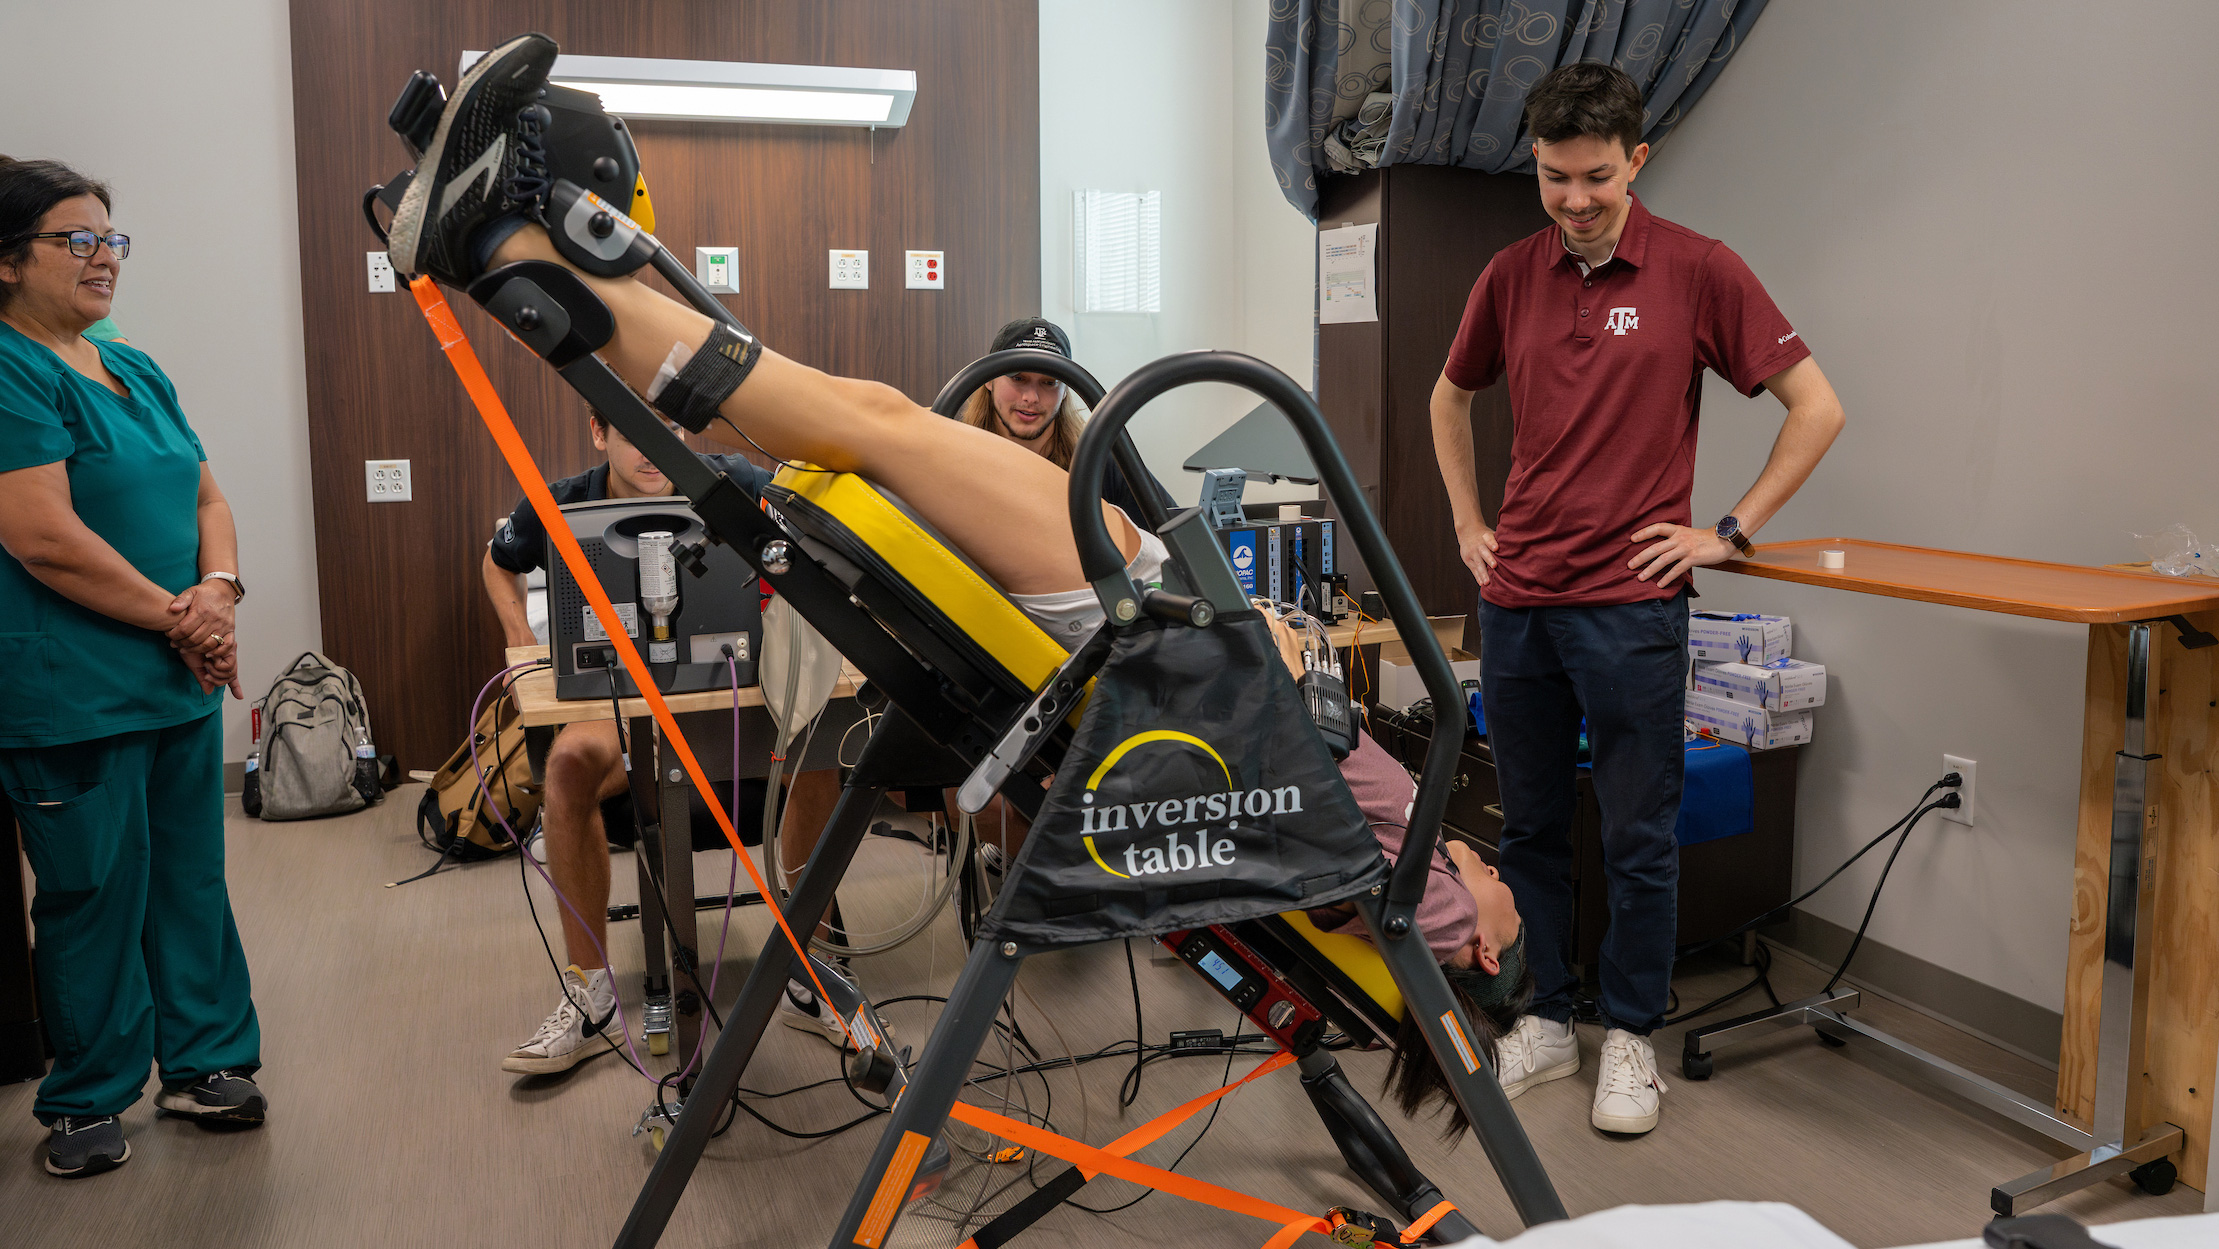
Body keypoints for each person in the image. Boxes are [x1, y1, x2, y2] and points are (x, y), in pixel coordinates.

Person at [1428, 63, 1845, 1136]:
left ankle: (1628, 1035)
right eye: (1554, 177)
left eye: (1596, 178)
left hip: (1629, 607)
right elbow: (1449, 396)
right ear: (1534, 163)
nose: (1574, 200)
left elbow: (1815, 406)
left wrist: (1727, 530)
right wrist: (1468, 525)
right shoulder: (1509, 275)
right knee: (1528, 827)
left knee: (1636, 835)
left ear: (1637, 161)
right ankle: (1545, 1017)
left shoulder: (1700, 269)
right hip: (1519, 602)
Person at [0, 159, 265, 1179]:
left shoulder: (133, 367)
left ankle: (205, 1059)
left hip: (172, 678)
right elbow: (41, 536)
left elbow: (207, 498)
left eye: (111, 238)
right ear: (7, 260)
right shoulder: (11, 369)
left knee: (191, 877)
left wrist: (220, 591)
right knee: (94, 891)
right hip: (71, 692)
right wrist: (182, 618)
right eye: (76, 239)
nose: (103, 256)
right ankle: (86, 1098)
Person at [479, 407, 850, 1072]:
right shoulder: (560, 503)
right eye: (634, 435)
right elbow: (497, 562)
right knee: (566, 765)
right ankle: (589, 992)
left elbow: (813, 533)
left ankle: (811, 970)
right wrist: (520, 638)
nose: (655, 451)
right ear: (599, 432)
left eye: (670, 433)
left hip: (728, 688)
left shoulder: (733, 481)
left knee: (815, 754)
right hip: (620, 698)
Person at [957, 317, 1173, 525]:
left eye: (1049, 382)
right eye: (1018, 378)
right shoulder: (958, 456)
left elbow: (1173, 536)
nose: (1031, 397)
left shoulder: (1098, 464)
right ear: (989, 380)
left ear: (1065, 391)